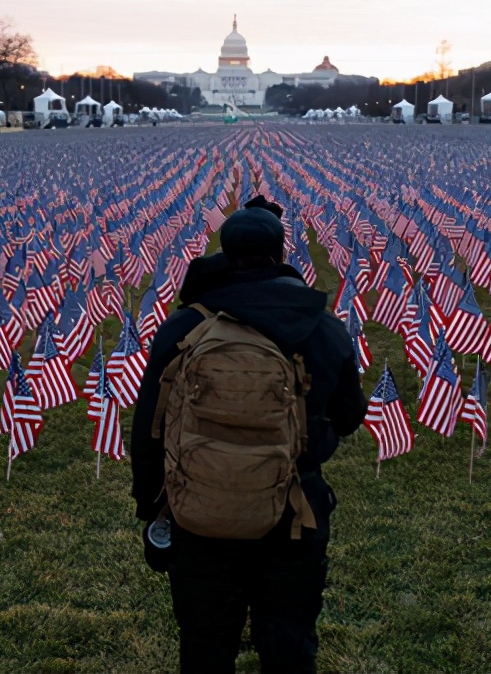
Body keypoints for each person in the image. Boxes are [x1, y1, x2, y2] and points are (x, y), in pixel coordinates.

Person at [131, 195, 367, 673]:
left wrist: (151, 509)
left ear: (224, 252)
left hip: (199, 512)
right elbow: (350, 415)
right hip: (293, 514)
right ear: (282, 254)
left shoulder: (184, 325)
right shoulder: (320, 326)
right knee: (288, 643)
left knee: (205, 643)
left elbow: (150, 427)